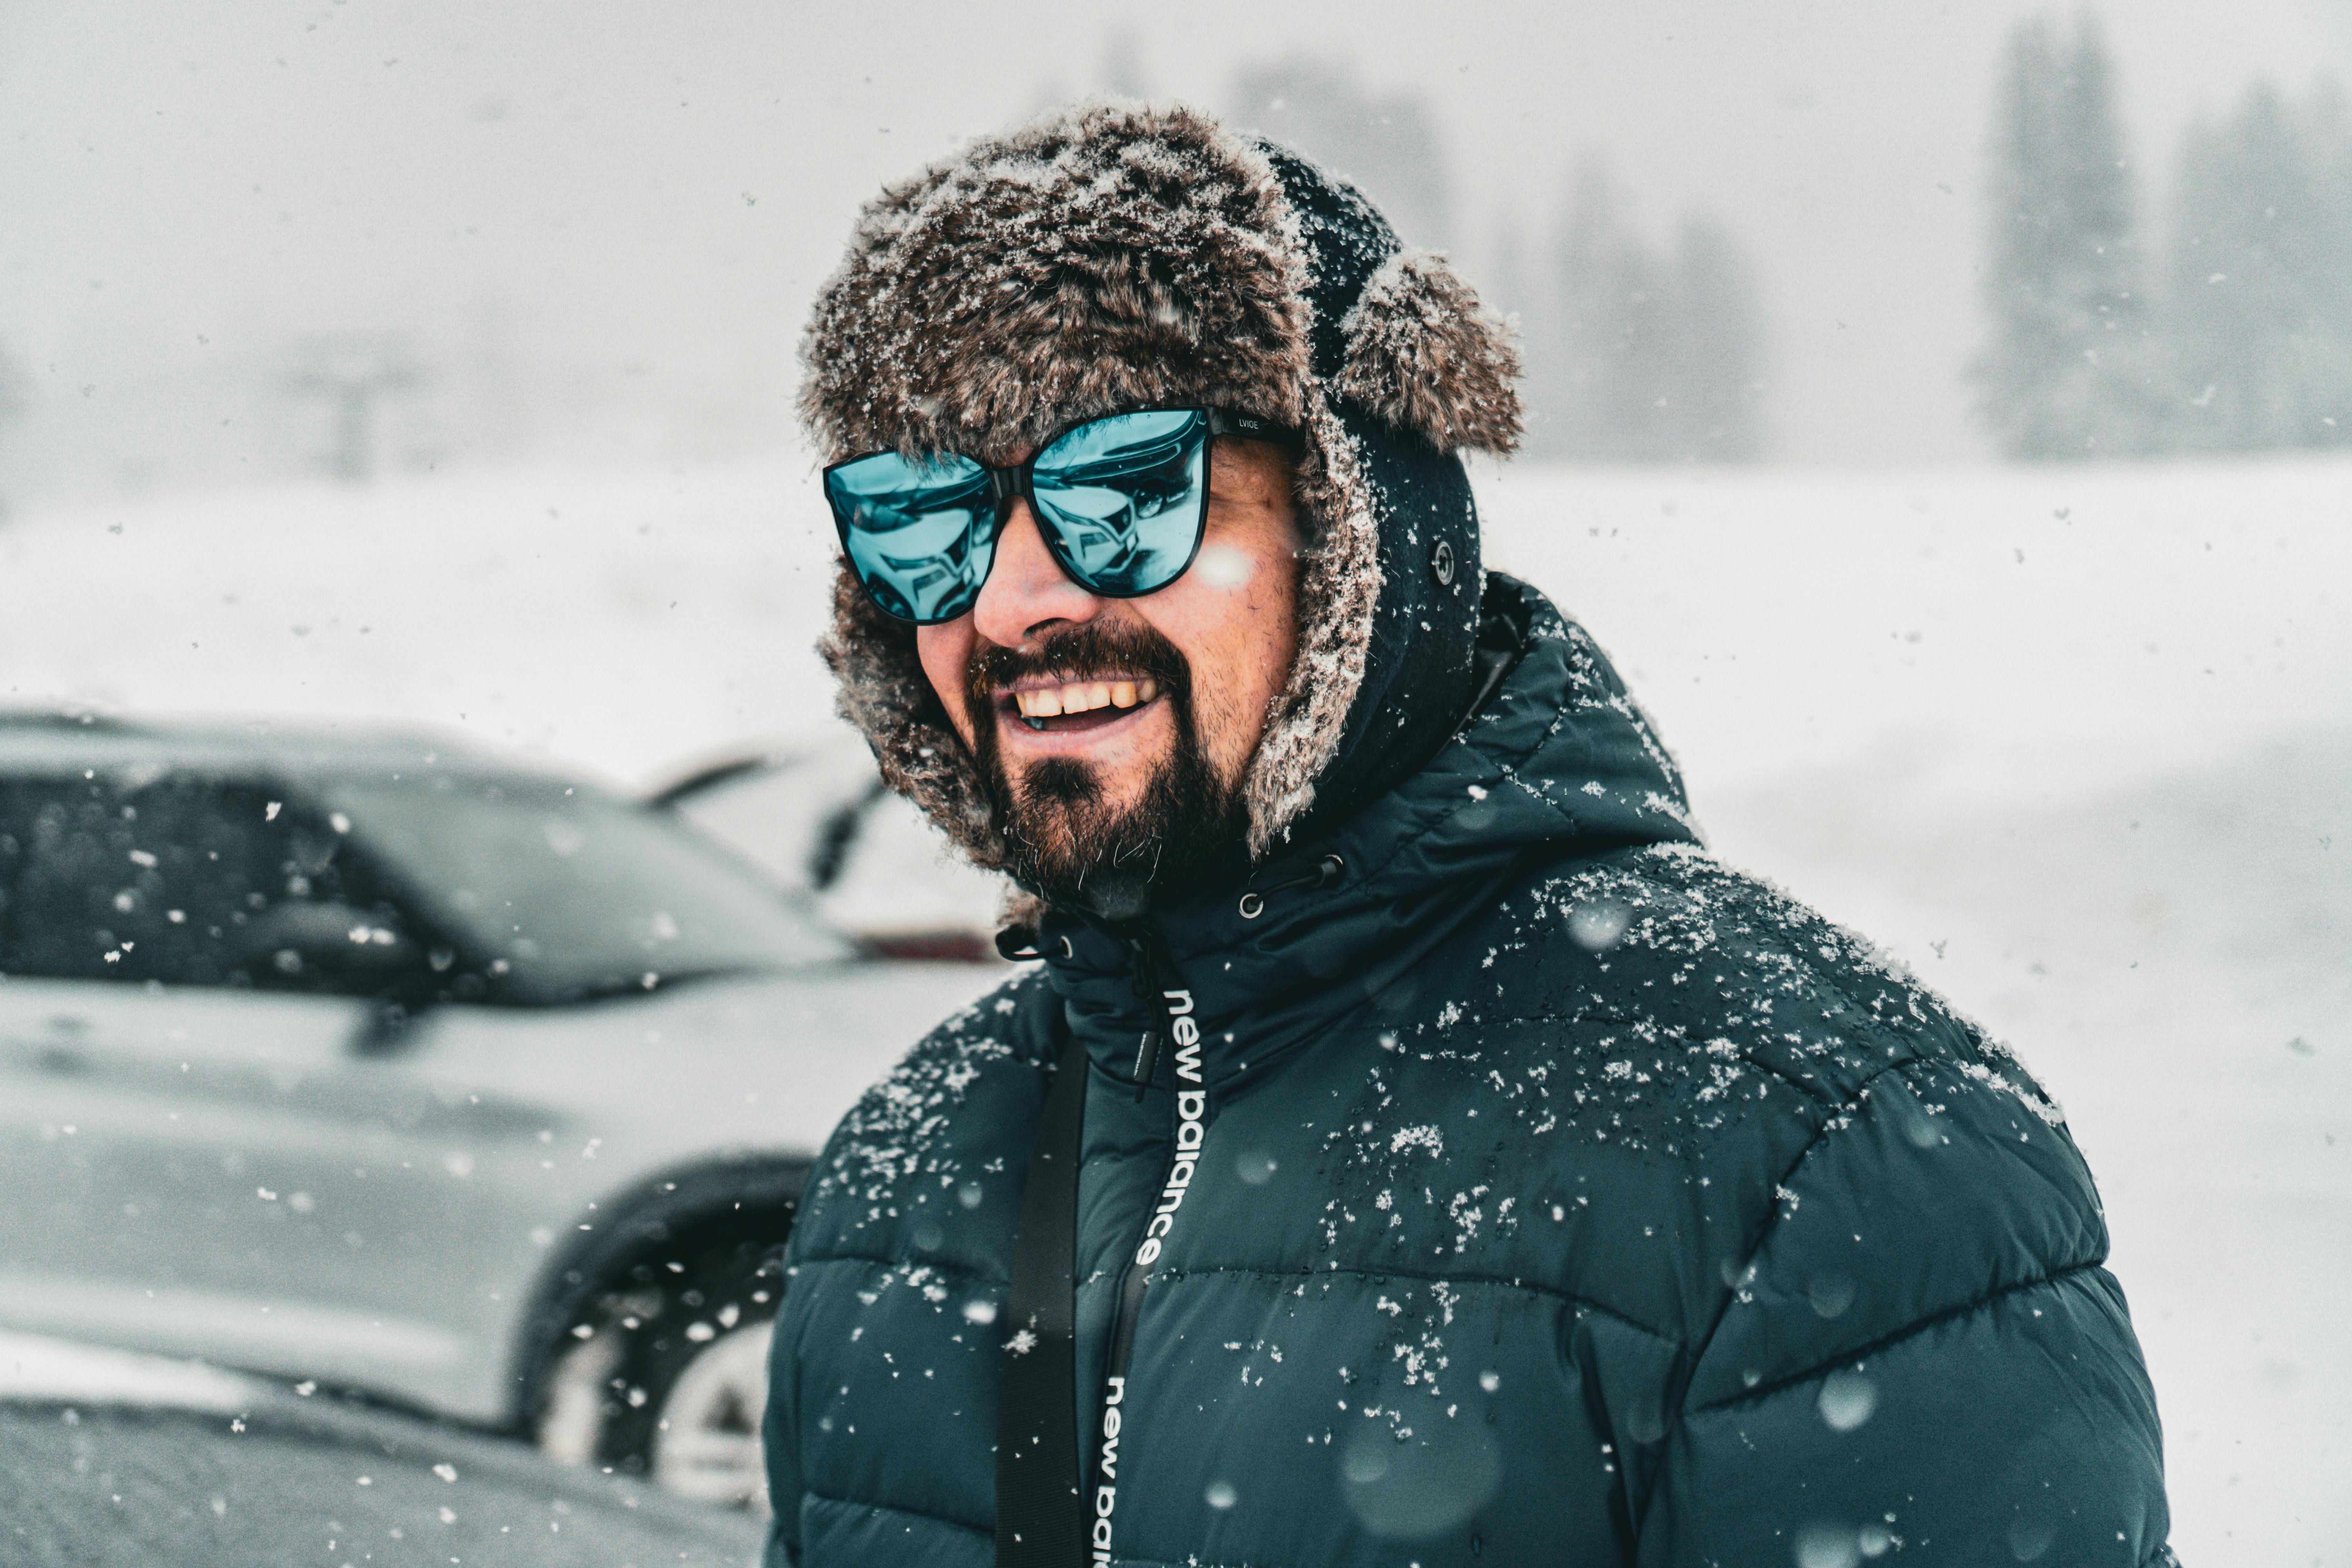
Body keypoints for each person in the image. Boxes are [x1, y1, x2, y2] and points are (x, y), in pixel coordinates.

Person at [762, 101, 2176, 1568]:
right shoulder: (906, 1173)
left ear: (1358, 524)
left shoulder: (1819, 1153)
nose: (1011, 607)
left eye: (1125, 493)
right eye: (921, 521)